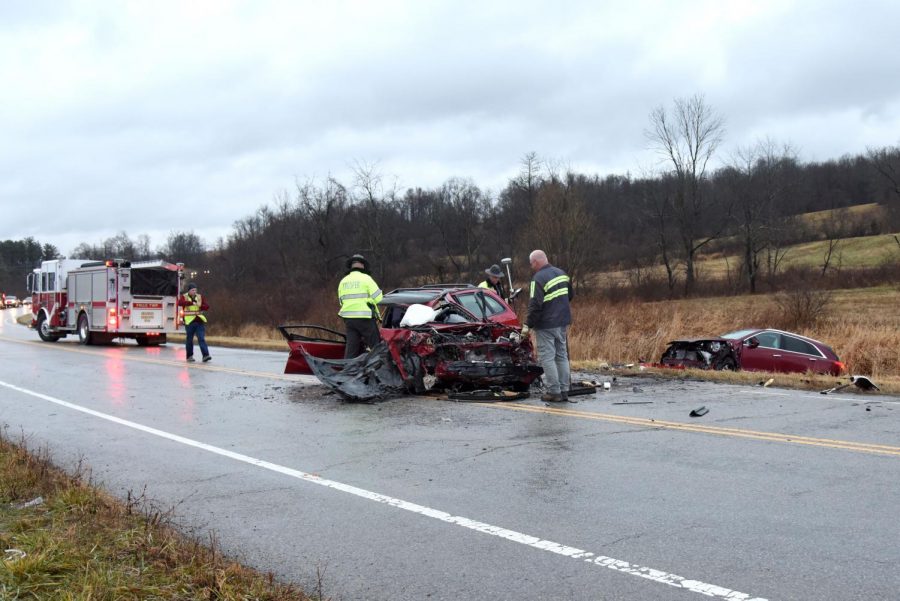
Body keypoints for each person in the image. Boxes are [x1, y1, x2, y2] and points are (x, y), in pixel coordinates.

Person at [522, 250, 573, 403]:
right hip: (562, 322)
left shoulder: (537, 279)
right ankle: (564, 390)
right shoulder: (562, 274)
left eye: (532, 264)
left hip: (546, 324)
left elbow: (535, 305)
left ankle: (553, 391)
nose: (532, 267)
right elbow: (569, 296)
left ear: (536, 262)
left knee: (547, 358)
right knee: (561, 356)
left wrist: (527, 325)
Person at [338, 254, 383, 358]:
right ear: (363, 266)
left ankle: (348, 371)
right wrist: (369, 300)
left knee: (351, 349)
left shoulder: (343, 281)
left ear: (351, 266)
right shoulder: (366, 279)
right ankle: (382, 370)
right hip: (365, 318)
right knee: (377, 347)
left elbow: (341, 302)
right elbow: (379, 298)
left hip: (349, 320)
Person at [177, 282, 211, 363]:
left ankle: (206, 355)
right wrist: (190, 303)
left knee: (201, 338)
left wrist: (200, 306)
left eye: (195, 290)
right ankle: (189, 356)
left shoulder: (200, 297)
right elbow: (179, 303)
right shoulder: (184, 297)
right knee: (189, 339)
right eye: (192, 290)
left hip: (199, 321)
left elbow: (207, 306)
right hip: (189, 322)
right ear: (189, 291)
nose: (194, 292)